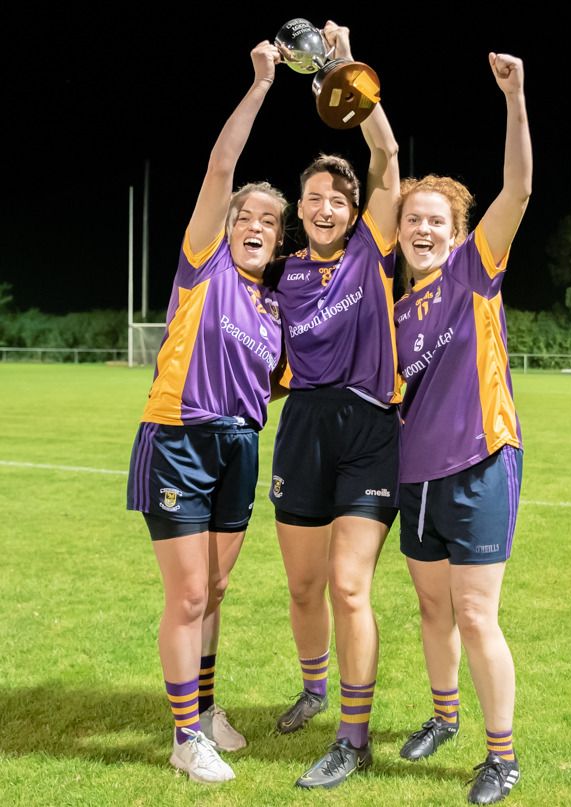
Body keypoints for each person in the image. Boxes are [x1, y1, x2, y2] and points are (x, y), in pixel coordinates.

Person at [126, 41, 286, 784]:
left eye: (268, 221)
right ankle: (186, 735)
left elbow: (283, 384)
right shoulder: (205, 265)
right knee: (188, 592)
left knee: (216, 590)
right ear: (228, 224)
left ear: (278, 240)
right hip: (181, 438)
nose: (255, 222)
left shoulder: (273, 310)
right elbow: (221, 168)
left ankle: (208, 705)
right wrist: (259, 87)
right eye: (245, 214)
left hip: (239, 447)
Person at [265, 21, 401, 790]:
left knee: (351, 585)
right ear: (301, 210)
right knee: (303, 586)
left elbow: (382, 156)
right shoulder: (280, 274)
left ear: (354, 213)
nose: (323, 208)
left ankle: (354, 734)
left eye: (335, 200)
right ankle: (314, 685)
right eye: (312, 199)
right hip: (304, 430)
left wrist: (343, 68)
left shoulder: (368, 252)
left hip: (369, 430)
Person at [393, 53, 532, 805]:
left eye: (435, 220)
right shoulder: (395, 308)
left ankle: (501, 754)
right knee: (432, 608)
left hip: (481, 463)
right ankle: (444, 717)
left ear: (456, 230)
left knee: (478, 613)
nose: (423, 228)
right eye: (414, 219)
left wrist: (514, 99)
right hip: (415, 476)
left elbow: (519, 188)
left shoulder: (477, 268)